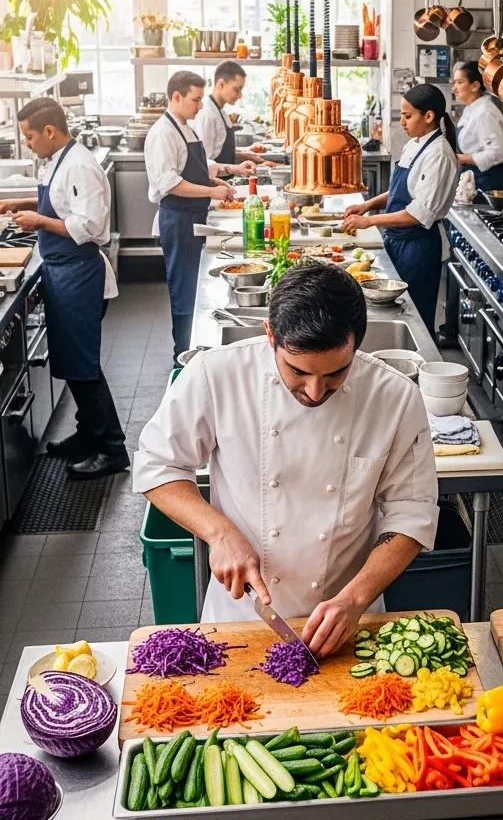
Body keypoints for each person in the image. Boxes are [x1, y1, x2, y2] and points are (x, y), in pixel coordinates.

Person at [133, 263, 439, 655]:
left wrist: (356, 599)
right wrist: (219, 533)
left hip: (350, 618)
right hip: (241, 616)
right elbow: (158, 465)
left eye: (335, 374)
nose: (314, 391)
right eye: (297, 371)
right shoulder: (216, 374)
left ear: (356, 346)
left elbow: (411, 512)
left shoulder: (394, 397)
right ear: (269, 335)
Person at [0, 98, 128, 479]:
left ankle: (112, 450)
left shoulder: (80, 165)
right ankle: (87, 434)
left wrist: (38, 219)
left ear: (50, 132)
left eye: (30, 136)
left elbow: (88, 225)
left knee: (84, 367)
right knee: (73, 363)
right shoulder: (57, 161)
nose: (29, 143)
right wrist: (17, 203)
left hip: (79, 274)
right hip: (61, 271)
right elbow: (57, 203)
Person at [144, 70, 253, 364]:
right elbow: (170, 182)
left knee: (193, 289)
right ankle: (182, 358)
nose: (200, 106)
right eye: (195, 100)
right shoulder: (162, 133)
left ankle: (194, 353)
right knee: (183, 293)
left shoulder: (184, 127)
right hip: (178, 221)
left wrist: (218, 180)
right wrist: (210, 191)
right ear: (175, 97)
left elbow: (195, 166)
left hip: (192, 217)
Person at [342, 84, 458, 332]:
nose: (402, 122)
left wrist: (370, 221)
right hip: (398, 241)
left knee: (414, 317)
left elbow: (418, 213)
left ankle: (419, 361)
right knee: (394, 311)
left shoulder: (439, 154)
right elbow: (399, 191)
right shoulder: (414, 144)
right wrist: (367, 205)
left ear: (428, 116)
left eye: (407, 116)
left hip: (418, 247)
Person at [451, 61, 503, 195]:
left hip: (492, 182)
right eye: (454, 83)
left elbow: (497, 152)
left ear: (475, 85)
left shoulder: (485, 112)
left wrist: (461, 158)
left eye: (459, 82)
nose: (454, 88)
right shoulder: (473, 108)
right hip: (479, 179)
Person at [192, 60, 265, 166]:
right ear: (221, 84)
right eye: (237, 89)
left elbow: (220, 153)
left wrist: (248, 155)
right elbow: (204, 163)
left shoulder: (220, 111)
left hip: (224, 180)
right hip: (216, 182)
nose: (240, 95)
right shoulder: (208, 115)